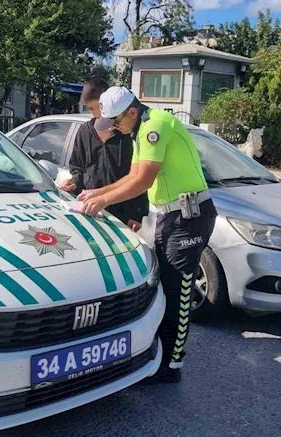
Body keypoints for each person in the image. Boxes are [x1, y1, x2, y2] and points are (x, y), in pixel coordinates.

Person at [78, 86, 217, 383]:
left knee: (178, 291)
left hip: (189, 217)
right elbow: (131, 175)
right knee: (164, 287)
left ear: (131, 111)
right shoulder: (140, 130)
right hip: (171, 216)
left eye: (116, 122)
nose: (115, 128)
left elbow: (143, 180)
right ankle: (160, 354)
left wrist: (103, 202)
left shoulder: (155, 125)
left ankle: (171, 366)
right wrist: (97, 192)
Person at [59, 79, 148, 231]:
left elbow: (139, 177)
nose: (93, 113)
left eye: (95, 108)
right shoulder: (84, 132)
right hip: (91, 211)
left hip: (123, 215)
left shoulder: (129, 134)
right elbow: (78, 167)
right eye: (90, 109)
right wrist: (74, 181)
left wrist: (137, 215)